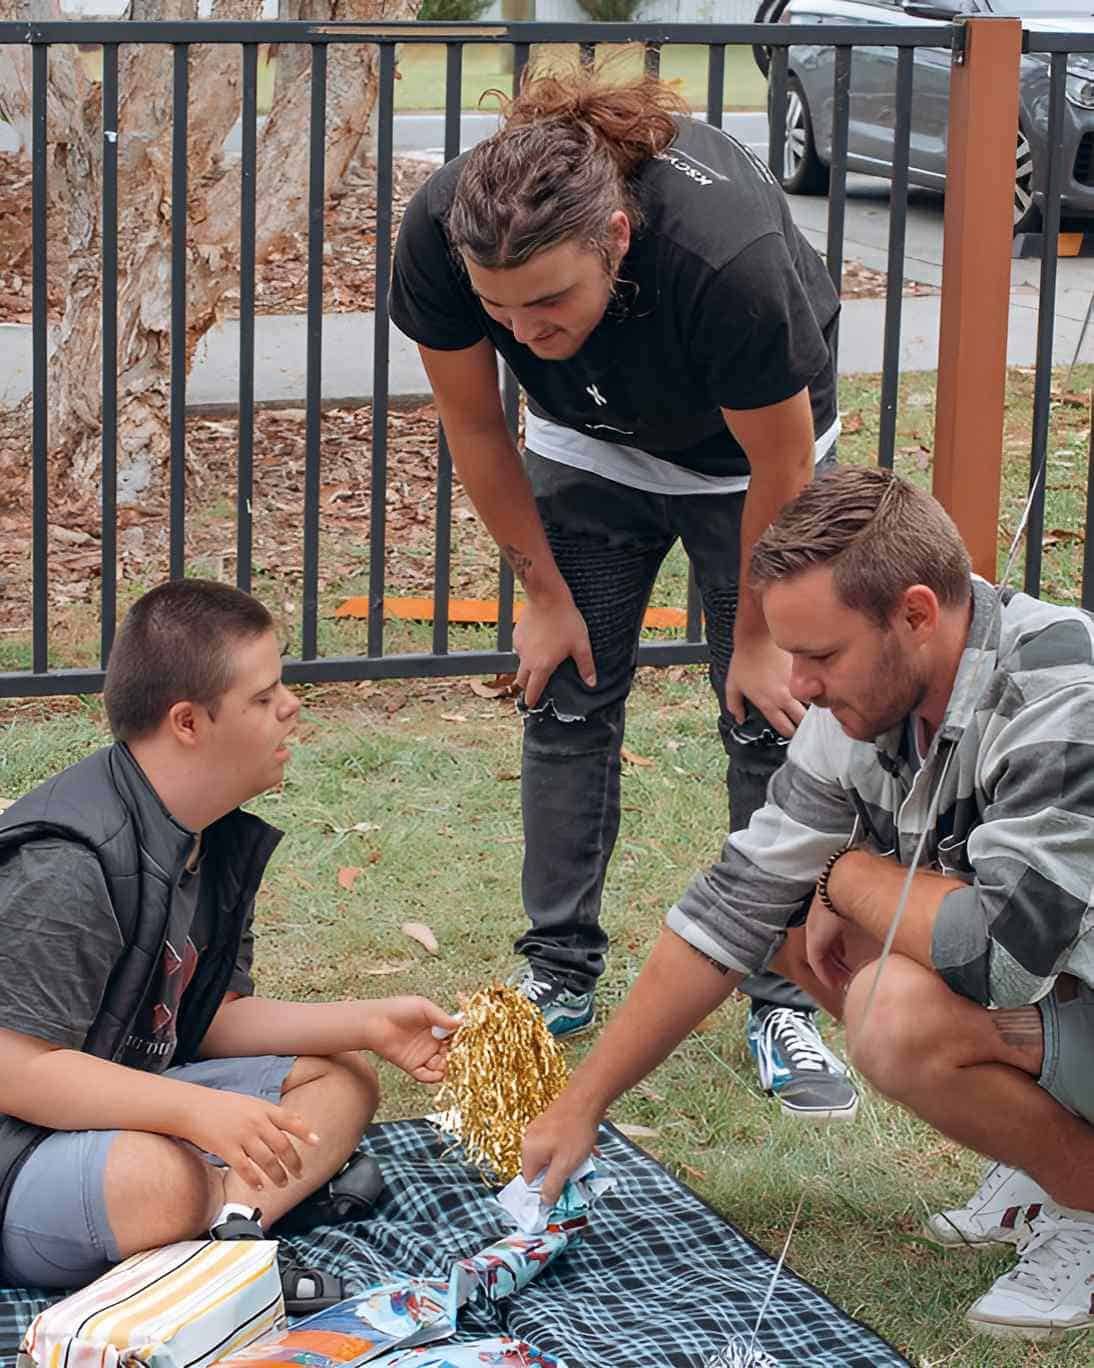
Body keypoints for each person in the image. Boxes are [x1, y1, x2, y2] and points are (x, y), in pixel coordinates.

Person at [522, 466, 1094, 1341]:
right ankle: (1043, 1158)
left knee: (894, 1011)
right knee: (791, 933)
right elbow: (731, 907)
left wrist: (847, 876)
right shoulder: (874, 698)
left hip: (1036, 971)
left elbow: (1002, 957)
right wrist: (582, 1104)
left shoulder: (1061, 691)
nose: (799, 685)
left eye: (821, 657)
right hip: (1066, 993)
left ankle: (1081, 1194)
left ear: (916, 614)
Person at [389, 62, 856, 1120]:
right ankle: (556, 969)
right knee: (566, 689)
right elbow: (474, 423)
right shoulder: (443, 231)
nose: (526, 332)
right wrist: (543, 595)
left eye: (550, 300)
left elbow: (782, 465)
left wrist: (756, 637)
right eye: (500, 309)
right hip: (586, 446)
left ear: (615, 237)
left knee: (770, 714)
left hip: (746, 462)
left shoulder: (724, 260)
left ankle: (780, 996)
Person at [0, 580, 458, 1302]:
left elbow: (207, 1018)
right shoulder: (68, 865)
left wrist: (369, 1023)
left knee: (342, 1078)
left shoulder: (205, 830)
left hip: (117, 1106)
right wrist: (194, 1112)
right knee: (159, 1180)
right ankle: (223, 1223)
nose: (291, 707)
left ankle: (229, 1234)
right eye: (264, 697)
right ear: (188, 722)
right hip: (17, 1154)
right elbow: (17, 1071)